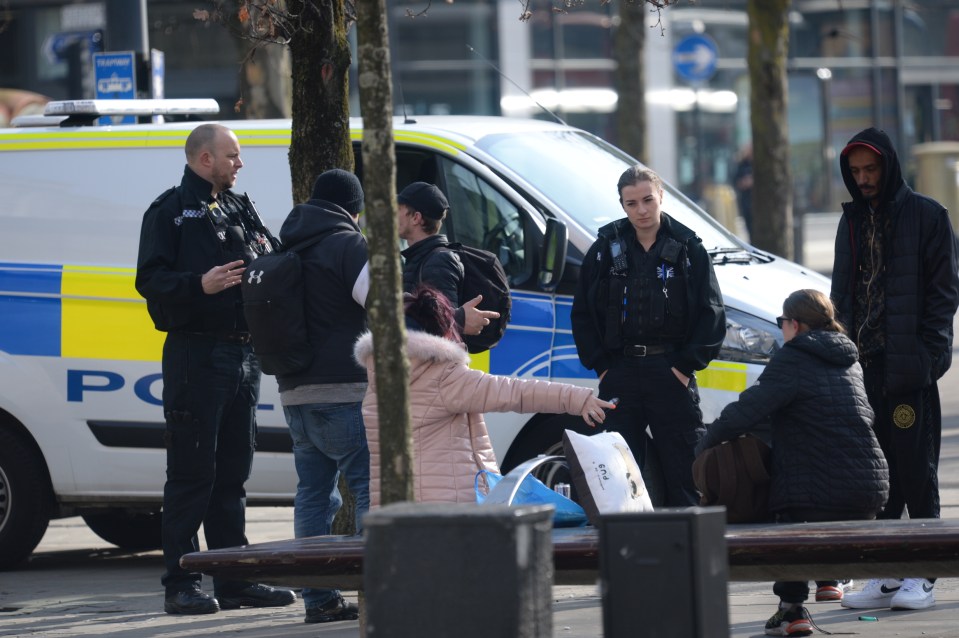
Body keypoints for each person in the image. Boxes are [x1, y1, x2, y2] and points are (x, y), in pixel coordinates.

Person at [135, 123, 296, 615]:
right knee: (191, 474)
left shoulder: (238, 205)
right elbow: (149, 279)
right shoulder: (168, 212)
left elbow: (271, 254)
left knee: (232, 473)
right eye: (232, 156)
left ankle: (235, 580)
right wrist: (196, 285)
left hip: (242, 354)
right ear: (204, 159)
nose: (239, 164)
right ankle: (180, 585)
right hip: (196, 354)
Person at [695, 289, 888, 637]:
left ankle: (791, 609)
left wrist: (706, 442)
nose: (781, 328)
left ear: (795, 325)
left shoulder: (793, 358)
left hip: (815, 500)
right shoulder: (850, 360)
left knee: (783, 499)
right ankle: (829, 580)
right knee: (812, 470)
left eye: (782, 322)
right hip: (868, 492)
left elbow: (748, 409)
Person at [831, 128, 959, 612]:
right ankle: (887, 570)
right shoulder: (850, 222)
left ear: (889, 166)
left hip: (909, 369)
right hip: (863, 369)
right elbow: (841, 294)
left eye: (871, 170)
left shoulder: (928, 216)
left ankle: (924, 573)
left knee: (916, 470)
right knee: (879, 476)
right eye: (856, 172)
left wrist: (928, 359)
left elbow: (944, 296)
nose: (863, 180)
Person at [353, 284, 616, 506]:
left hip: (393, 509)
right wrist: (578, 399)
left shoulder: (377, 380)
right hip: (447, 511)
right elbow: (516, 392)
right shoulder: (442, 377)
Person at [570, 165, 726, 507]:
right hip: (620, 372)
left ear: (661, 198)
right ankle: (625, 553)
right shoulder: (604, 250)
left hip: (670, 370)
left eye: (647, 200)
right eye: (631, 203)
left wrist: (685, 367)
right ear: (622, 205)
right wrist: (602, 367)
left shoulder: (688, 249)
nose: (641, 210)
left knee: (687, 475)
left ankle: (691, 553)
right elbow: (582, 312)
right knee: (616, 478)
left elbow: (712, 313)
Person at [273, 169, 370, 624]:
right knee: (369, 489)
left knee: (313, 494)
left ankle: (319, 600)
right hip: (344, 389)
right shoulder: (349, 244)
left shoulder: (288, 243)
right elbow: (381, 304)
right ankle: (380, 593)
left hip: (294, 392)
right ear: (355, 209)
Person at [396, 181, 497, 337]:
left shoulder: (439, 261)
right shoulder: (419, 257)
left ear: (416, 218)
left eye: (398, 209)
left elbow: (441, 327)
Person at [732, 142, 754, 238]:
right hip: (746, 201)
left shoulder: (757, 165)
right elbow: (736, 181)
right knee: (749, 227)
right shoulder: (742, 165)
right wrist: (744, 183)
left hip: (757, 202)